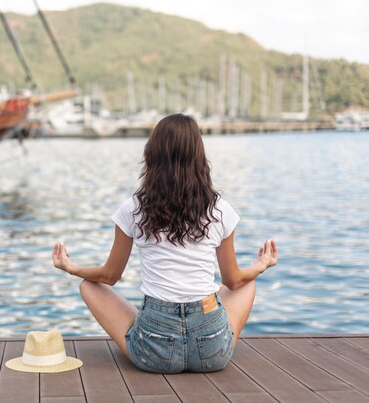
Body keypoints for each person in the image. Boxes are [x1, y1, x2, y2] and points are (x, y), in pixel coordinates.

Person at [52, 113, 278, 373]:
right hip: (211, 351)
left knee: (88, 286)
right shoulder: (219, 210)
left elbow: (109, 275)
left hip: (154, 352)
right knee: (246, 284)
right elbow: (233, 280)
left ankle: (155, 330)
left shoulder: (133, 209)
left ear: (152, 154)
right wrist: (261, 265)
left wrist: (72, 268)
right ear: (198, 156)